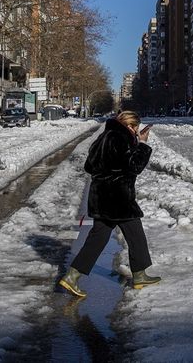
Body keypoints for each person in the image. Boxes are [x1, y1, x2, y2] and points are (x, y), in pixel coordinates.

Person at [59, 110, 160, 297]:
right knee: (135, 235)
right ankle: (139, 276)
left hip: (101, 196)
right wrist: (143, 144)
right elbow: (134, 167)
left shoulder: (103, 137)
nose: (137, 131)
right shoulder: (121, 138)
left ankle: (72, 276)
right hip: (118, 197)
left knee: (99, 238)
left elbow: (89, 166)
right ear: (131, 125)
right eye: (136, 128)